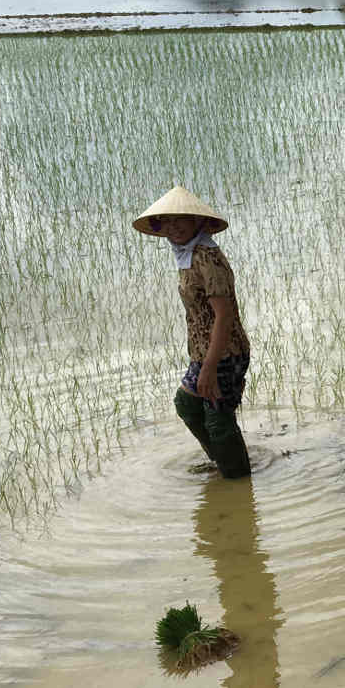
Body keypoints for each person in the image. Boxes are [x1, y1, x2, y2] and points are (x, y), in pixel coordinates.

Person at [134, 185, 252, 478]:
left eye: (180, 221)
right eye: (168, 222)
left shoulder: (206, 258)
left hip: (225, 351)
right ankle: (223, 463)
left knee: (218, 419)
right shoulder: (187, 255)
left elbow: (224, 317)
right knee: (188, 404)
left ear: (198, 222)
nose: (173, 228)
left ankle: (238, 482)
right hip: (204, 351)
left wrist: (210, 367)